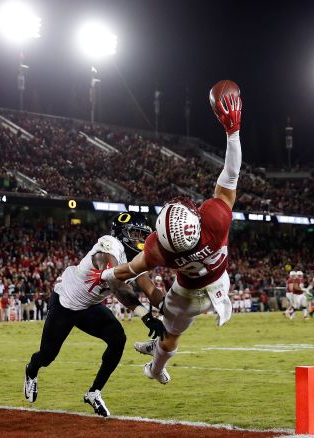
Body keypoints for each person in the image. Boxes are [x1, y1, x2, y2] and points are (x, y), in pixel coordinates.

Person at [86, 90, 243, 384]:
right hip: (220, 282)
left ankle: (155, 368)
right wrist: (232, 132)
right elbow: (231, 174)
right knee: (165, 317)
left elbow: (129, 271)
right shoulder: (216, 220)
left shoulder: (161, 251)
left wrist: (105, 275)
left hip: (186, 295)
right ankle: (157, 349)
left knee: (171, 334)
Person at [24, 212, 165, 417]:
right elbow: (115, 283)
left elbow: (150, 289)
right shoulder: (109, 244)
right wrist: (145, 315)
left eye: (142, 235)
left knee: (118, 339)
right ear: (122, 233)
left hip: (89, 306)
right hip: (67, 302)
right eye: (135, 233)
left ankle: (94, 392)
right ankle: (31, 369)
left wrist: (168, 309)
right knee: (47, 356)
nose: (140, 240)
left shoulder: (135, 257)